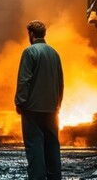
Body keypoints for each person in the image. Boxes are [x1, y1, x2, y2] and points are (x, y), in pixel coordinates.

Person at [15, 20, 64, 180]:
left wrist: (20, 102)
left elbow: (24, 80)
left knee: (35, 145)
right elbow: (60, 82)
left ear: (31, 34)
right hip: (51, 109)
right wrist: (58, 104)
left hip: (32, 110)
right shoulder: (54, 53)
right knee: (52, 146)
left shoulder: (29, 52)